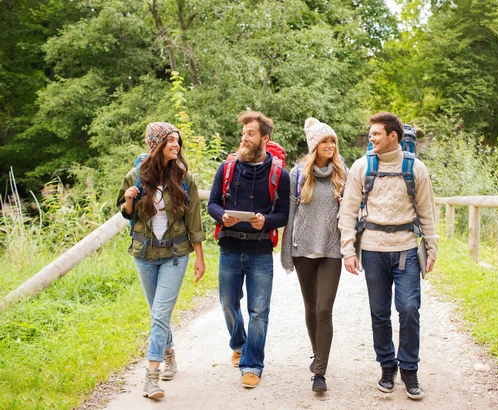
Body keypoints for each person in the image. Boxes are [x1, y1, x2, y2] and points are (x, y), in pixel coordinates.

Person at [338, 112, 438, 400]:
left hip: (405, 247)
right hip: (372, 249)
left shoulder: (416, 169)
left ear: (393, 136)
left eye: (376, 134)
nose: (371, 138)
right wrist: (348, 250)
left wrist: (432, 247)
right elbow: (348, 211)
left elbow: (427, 212)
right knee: (379, 313)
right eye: (371, 134)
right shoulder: (361, 167)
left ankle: (409, 369)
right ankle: (386, 366)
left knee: (408, 309)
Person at [117, 122, 206, 399]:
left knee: (159, 315)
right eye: (169, 140)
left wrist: (200, 258)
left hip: (175, 255)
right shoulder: (136, 176)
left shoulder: (183, 178)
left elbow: (194, 220)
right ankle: (169, 355)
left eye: (177, 140)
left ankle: (151, 377)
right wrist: (129, 200)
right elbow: (125, 212)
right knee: (158, 314)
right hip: (144, 254)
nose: (175, 145)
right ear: (155, 144)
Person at [207, 111, 290, 389]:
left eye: (250, 134)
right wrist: (222, 216)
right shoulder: (227, 168)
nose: (244, 138)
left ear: (265, 138)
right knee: (228, 303)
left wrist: (266, 221)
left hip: (260, 251)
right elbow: (213, 203)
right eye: (243, 134)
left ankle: (252, 364)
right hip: (229, 247)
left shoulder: (280, 174)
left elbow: (284, 214)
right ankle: (238, 343)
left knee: (258, 310)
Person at [281, 118, 346, 394]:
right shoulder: (297, 175)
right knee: (310, 308)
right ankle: (316, 352)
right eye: (325, 141)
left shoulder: (344, 174)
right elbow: (290, 216)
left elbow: (356, 210)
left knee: (323, 309)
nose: (330, 145)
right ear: (314, 146)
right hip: (303, 250)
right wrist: (286, 253)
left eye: (333, 141)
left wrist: (348, 204)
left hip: (332, 250)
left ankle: (320, 373)